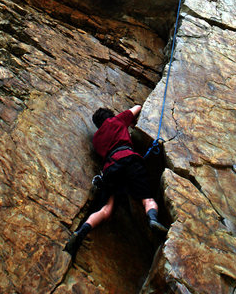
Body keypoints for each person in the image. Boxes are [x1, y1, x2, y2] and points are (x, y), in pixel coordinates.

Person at [64, 104, 166, 257]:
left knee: (106, 209)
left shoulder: (97, 139)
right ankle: (152, 219)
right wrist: (130, 123)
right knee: (147, 198)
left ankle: (81, 231)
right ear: (109, 115)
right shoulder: (117, 120)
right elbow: (137, 107)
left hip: (110, 168)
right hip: (130, 159)